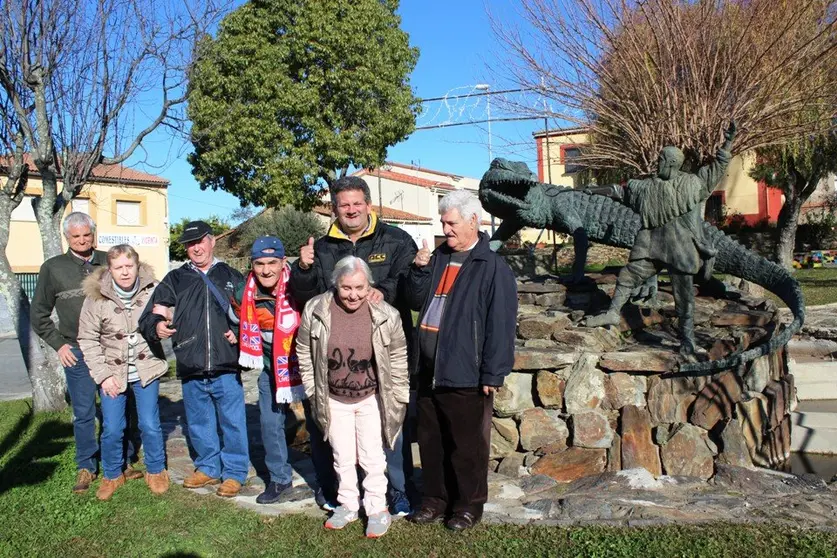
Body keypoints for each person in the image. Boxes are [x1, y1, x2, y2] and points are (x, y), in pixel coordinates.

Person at [290, 175, 417, 515]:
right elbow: (302, 297)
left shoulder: (396, 239)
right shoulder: (320, 247)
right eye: (343, 204)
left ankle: (397, 491)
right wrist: (301, 268)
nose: (351, 210)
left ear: (368, 205)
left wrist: (383, 291)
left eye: (356, 203)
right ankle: (337, 492)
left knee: (389, 429)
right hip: (334, 360)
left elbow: (409, 285)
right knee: (331, 432)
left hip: (379, 357)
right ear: (335, 208)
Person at [406, 189, 517, 532]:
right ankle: (435, 501)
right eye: (443, 222)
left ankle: (468, 506)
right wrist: (419, 271)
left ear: (474, 221)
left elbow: (500, 325)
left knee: (467, 448)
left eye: (452, 223)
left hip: (465, 372)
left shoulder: (492, 267)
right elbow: (413, 298)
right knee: (432, 442)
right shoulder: (437, 257)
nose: (446, 229)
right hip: (427, 369)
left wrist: (493, 372)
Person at [585, 121, 737, 356]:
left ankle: (687, 338)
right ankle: (614, 312)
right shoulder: (646, 188)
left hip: (680, 249)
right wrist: (593, 190)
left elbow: (716, 169)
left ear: (672, 164)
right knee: (627, 276)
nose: (658, 164)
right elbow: (620, 192)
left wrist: (727, 143)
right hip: (651, 245)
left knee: (684, 298)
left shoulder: (691, 184)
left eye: (661, 161)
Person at [297, 256, 409, 538]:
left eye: (360, 287)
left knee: (373, 457)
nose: (353, 295)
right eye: (347, 288)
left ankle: (377, 509)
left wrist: (398, 395)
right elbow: (303, 351)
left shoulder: (385, 313)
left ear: (368, 284)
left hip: (371, 398)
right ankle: (347, 504)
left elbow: (397, 356)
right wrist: (312, 390)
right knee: (342, 456)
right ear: (336, 284)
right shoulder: (316, 309)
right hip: (334, 398)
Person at [31, 212, 142, 493]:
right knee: (83, 411)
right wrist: (59, 344)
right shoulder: (53, 268)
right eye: (75, 236)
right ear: (67, 238)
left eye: (86, 235)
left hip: (112, 349)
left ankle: (122, 461)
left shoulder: (109, 261)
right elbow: (39, 314)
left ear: (94, 234)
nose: (82, 240)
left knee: (119, 405)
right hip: (77, 351)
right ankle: (86, 466)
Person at [138, 220, 248, 498]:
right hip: (191, 362)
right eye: (190, 244)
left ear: (211, 241)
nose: (195, 248)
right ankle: (208, 468)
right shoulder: (175, 279)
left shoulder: (231, 275)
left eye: (200, 241)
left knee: (233, 421)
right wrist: (157, 326)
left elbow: (250, 314)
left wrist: (237, 332)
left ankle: (234, 473)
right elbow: (153, 313)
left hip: (226, 362)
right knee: (199, 422)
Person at [228, 236, 325, 505]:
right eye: (259, 263)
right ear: (252, 264)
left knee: (318, 423)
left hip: (307, 365)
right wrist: (237, 335)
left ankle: (325, 480)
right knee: (270, 424)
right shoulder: (242, 291)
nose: (266, 270)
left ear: (284, 262)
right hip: (271, 367)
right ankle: (279, 479)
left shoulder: (300, 283)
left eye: (272, 262)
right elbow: (235, 318)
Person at [77, 244, 169, 500]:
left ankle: (156, 469)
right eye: (119, 267)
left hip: (146, 368)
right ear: (110, 269)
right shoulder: (96, 297)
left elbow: (168, 314)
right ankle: (112, 474)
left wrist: (165, 322)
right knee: (113, 427)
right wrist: (104, 376)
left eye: (129, 266)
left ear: (137, 266)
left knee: (150, 423)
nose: (125, 272)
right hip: (112, 373)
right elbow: (87, 338)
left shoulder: (154, 290)